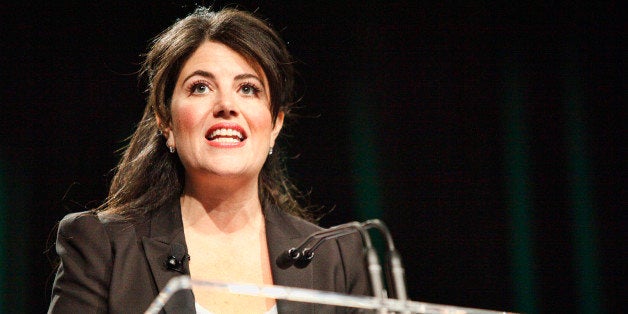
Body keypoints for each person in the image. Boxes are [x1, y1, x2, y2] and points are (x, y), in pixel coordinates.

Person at [48, 6, 370, 314]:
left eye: (248, 89)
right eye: (200, 87)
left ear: (275, 125)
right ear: (166, 122)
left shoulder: (337, 258)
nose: (226, 105)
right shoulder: (103, 247)